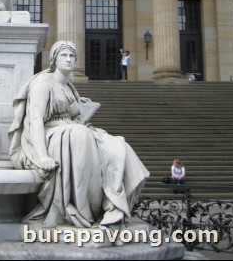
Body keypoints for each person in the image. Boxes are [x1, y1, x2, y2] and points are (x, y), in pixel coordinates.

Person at [9, 41, 150, 228]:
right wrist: (42, 156)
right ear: (54, 59)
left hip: (73, 131)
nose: (68, 60)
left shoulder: (69, 85)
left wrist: (79, 105)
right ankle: (85, 210)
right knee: (81, 135)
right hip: (50, 135)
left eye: (72, 56)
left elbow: (71, 114)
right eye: (64, 56)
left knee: (117, 145)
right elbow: (35, 119)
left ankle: (112, 205)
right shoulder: (42, 82)